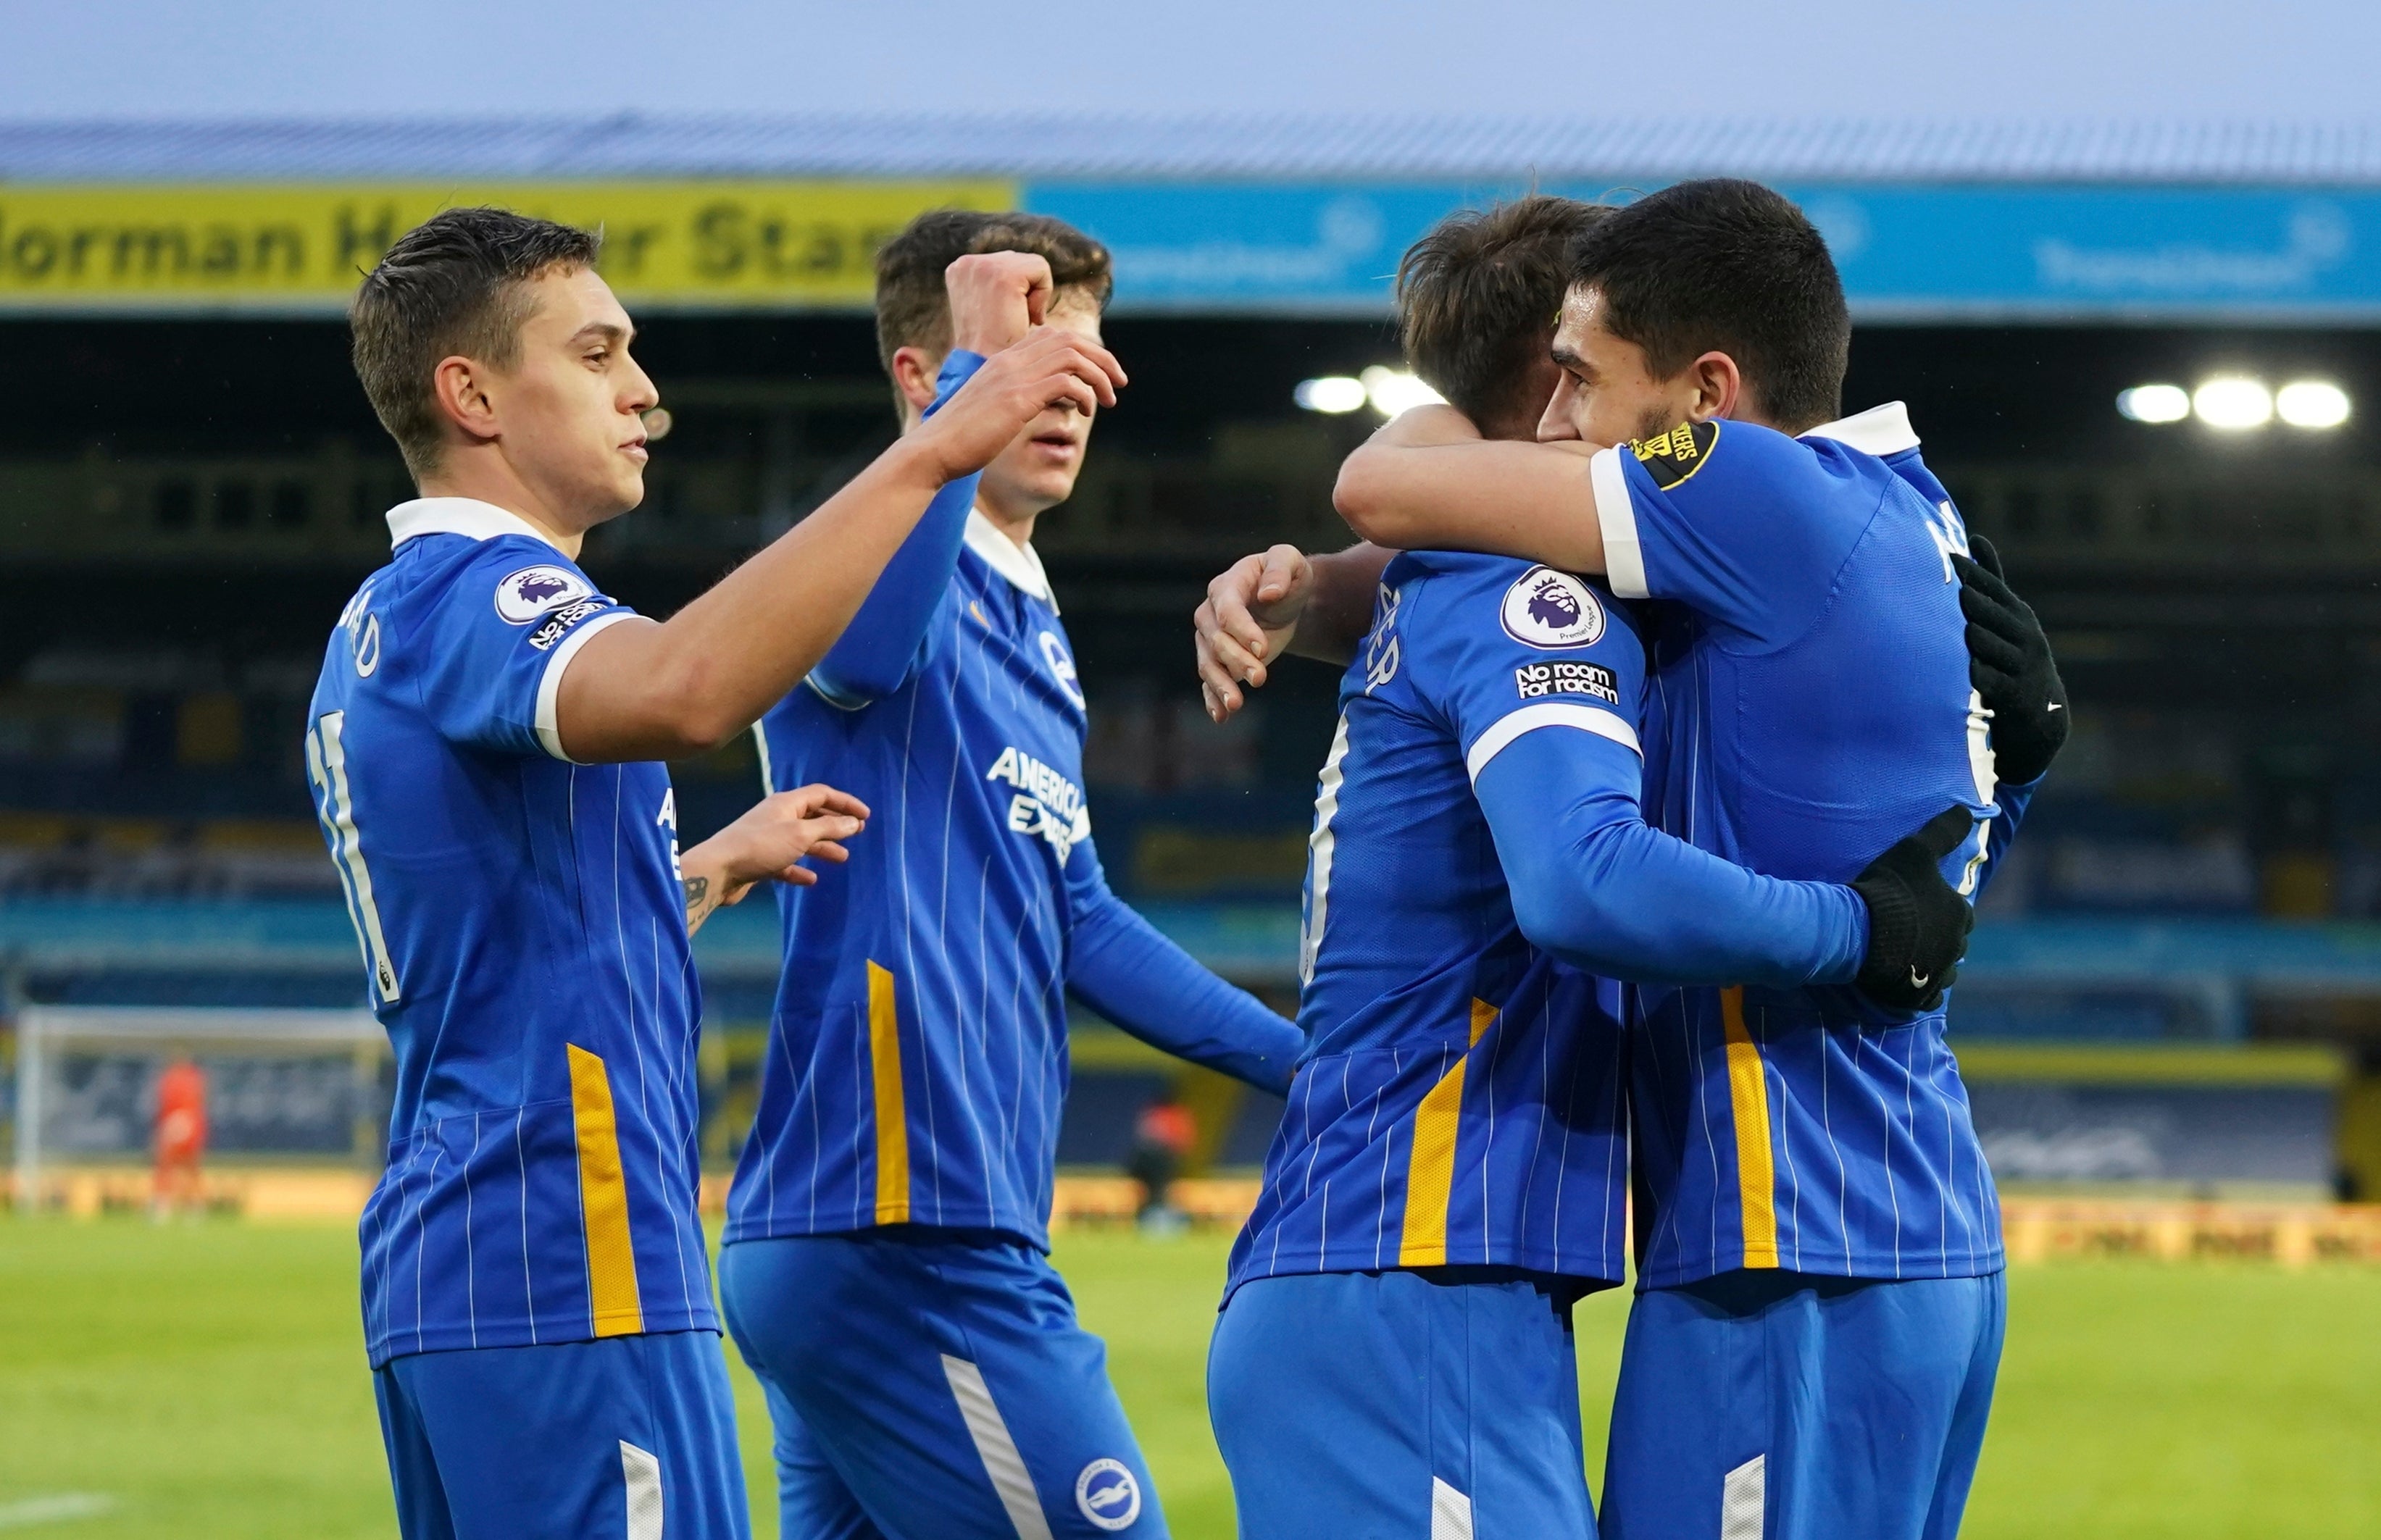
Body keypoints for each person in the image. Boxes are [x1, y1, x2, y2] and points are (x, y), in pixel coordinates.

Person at [1201, 180, 2068, 1540]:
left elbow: (1387, 483)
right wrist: (1318, 596)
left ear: (1707, 397)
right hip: (1897, 1229)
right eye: (1548, 381)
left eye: (1584, 380)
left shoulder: (1744, 481)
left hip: (1793, 1238)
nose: (1565, 422)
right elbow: (1927, 883)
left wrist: (1388, 482)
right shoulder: (1904, 515)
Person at [307, 204, 1124, 1540]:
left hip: (465, 1258)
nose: (645, 394)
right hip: (571, 1252)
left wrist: (696, 868)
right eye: (595, 353)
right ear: (472, 394)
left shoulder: (380, 623)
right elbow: (690, 689)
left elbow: (495, 935)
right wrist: (934, 453)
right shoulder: (488, 598)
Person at [717, 210, 1303, 1540]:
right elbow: (861, 661)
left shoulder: (1031, 612)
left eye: (1082, 368)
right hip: (898, 1228)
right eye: (1034, 365)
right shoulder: (870, 544)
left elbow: (1078, 920)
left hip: (915, 1223)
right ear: (931, 379)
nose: (1069, 400)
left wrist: (1311, 1068)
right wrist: (983, 381)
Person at [150, 1053, 208, 1219]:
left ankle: (174, 1206)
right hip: (187, 1123)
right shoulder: (190, 1078)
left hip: (182, 1122)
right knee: (184, 1167)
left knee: (176, 1166)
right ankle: (186, 1207)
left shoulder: (179, 1079)